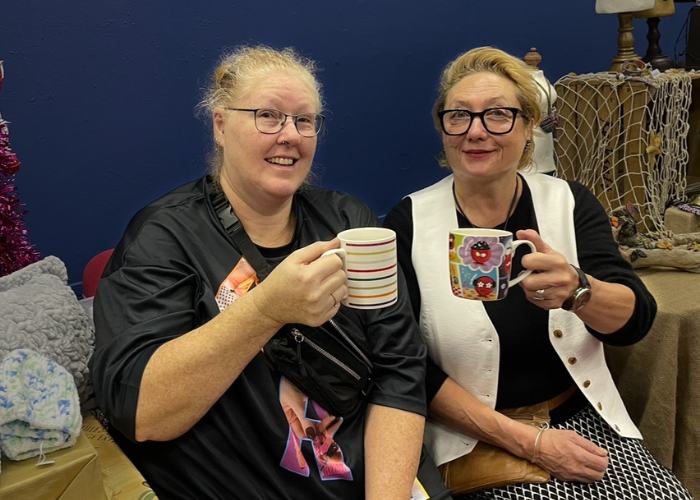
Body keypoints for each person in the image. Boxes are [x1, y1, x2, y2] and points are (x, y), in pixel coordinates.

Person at [90, 45, 431, 500]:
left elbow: (401, 372)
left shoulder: (350, 223)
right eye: (267, 116)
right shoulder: (166, 235)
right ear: (220, 125)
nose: (289, 135)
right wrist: (267, 308)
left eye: (304, 120)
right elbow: (142, 413)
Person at [383, 46, 692, 499]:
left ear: (529, 127)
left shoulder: (568, 202)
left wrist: (579, 290)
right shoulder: (409, 222)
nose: (476, 131)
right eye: (459, 116)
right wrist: (532, 443)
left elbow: (636, 320)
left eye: (498, 115)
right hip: (477, 439)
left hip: (580, 420)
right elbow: (406, 369)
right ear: (442, 128)